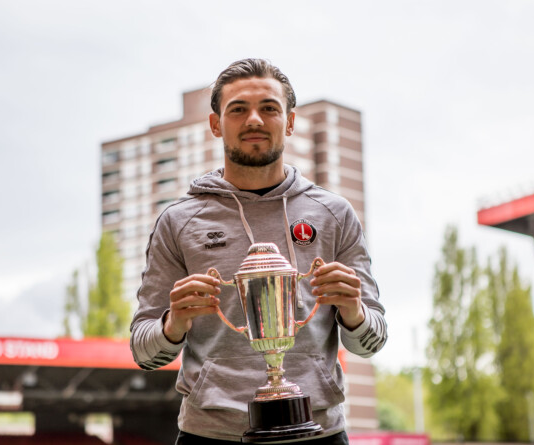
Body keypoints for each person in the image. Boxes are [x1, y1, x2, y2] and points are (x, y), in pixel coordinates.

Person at [130, 58, 387, 444]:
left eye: (269, 108)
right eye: (238, 109)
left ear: (290, 121)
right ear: (216, 124)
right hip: (211, 435)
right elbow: (143, 351)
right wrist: (173, 324)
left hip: (317, 432)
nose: (254, 119)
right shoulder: (178, 221)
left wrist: (354, 313)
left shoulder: (334, 214)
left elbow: (373, 341)